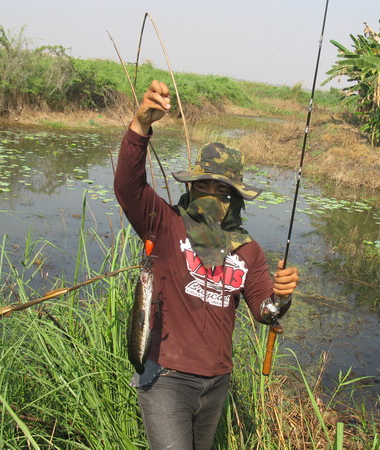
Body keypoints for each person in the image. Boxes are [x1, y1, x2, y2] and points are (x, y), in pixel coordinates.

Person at [114, 80, 299, 449]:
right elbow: (128, 186)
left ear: (236, 198)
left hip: (216, 381)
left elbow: (264, 311)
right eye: (204, 187)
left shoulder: (248, 250)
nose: (212, 197)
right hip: (166, 376)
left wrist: (282, 297)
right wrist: (141, 127)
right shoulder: (165, 224)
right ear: (191, 185)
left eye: (223, 191)